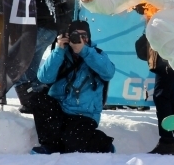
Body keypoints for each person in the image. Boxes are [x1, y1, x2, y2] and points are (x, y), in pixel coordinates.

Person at [31, 20, 115, 154]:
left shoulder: (96, 53)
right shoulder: (61, 53)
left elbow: (108, 72)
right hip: (60, 109)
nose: (80, 39)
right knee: (40, 99)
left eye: (84, 36)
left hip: (84, 114)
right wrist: (58, 50)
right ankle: (49, 146)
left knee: (73, 146)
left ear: (89, 37)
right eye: (76, 35)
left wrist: (84, 51)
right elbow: (44, 78)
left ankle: (103, 143)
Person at [13, 0, 77, 112]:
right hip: (53, 31)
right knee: (32, 62)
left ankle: (29, 99)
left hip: (40, 28)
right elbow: (72, 5)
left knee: (19, 62)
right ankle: (35, 98)